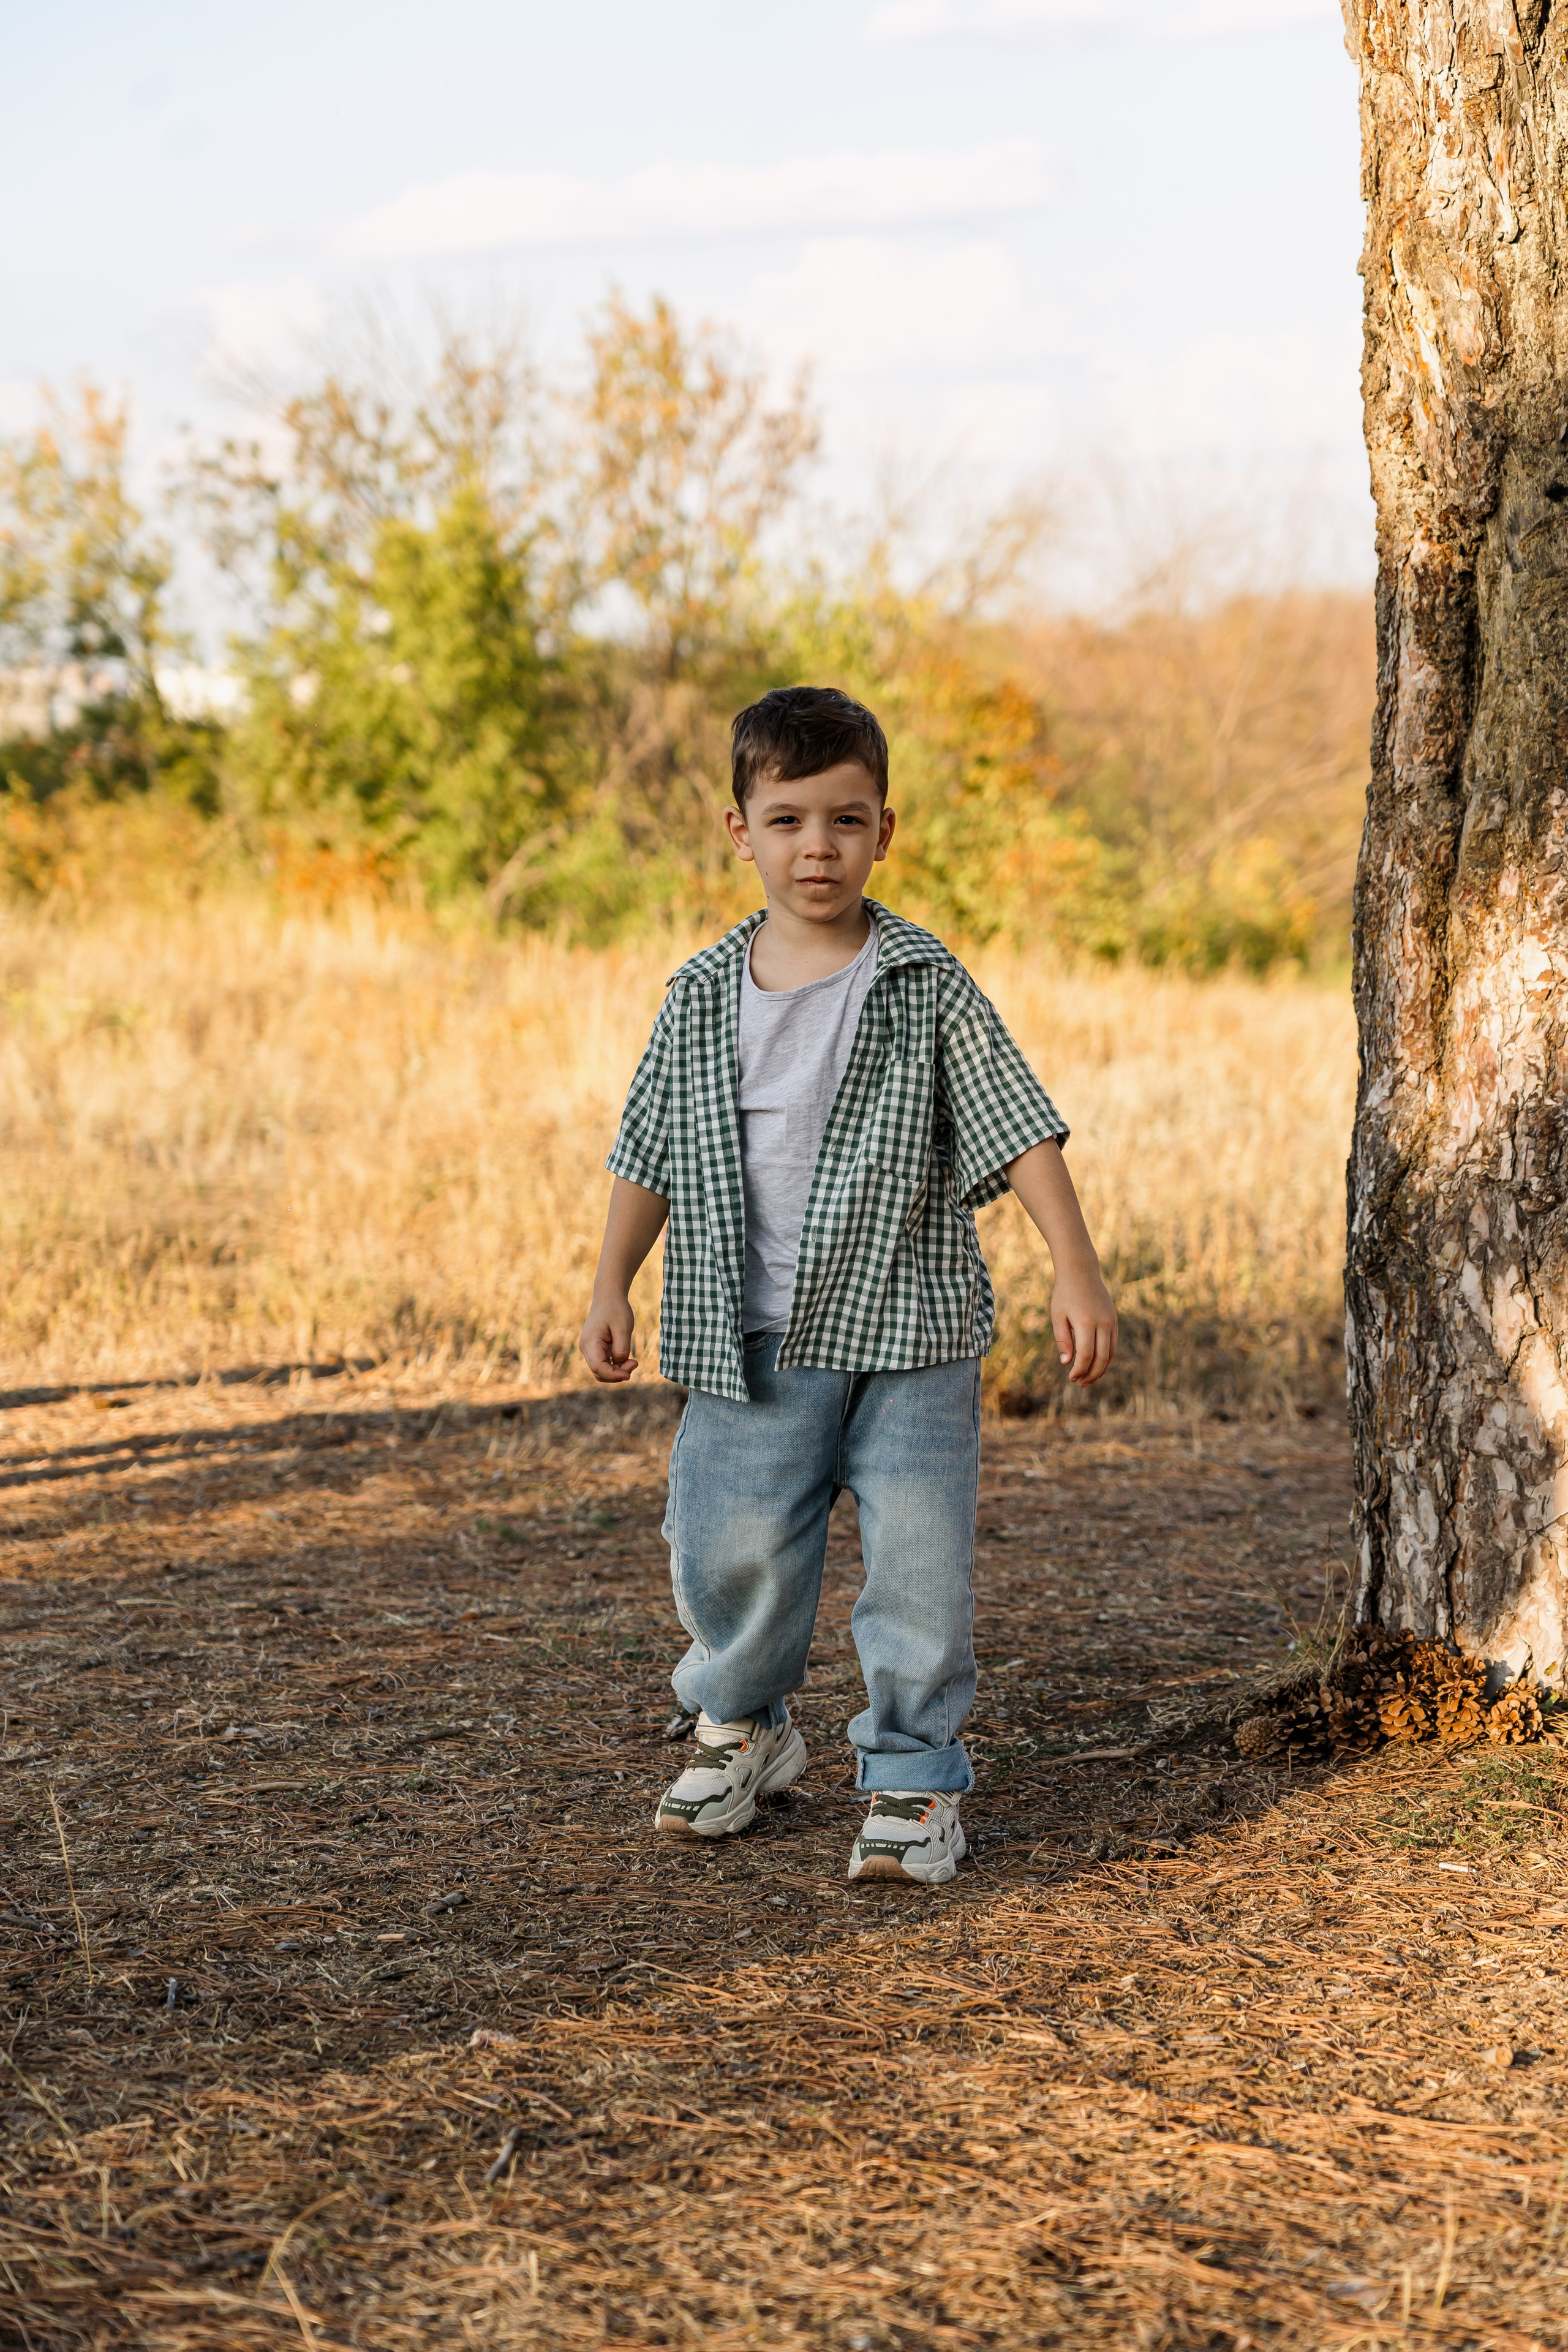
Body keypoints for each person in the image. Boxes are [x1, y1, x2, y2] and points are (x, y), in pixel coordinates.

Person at [578, 685, 1117, 1884]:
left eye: (842, 819)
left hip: (910, 1339)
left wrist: (1072, 1267)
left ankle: (914, 1780)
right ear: (739, 831)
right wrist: (611, 1280)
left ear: (883, 830)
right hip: (744, 1339)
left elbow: (1017, 1127)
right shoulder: (699, 995)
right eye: (786, 820)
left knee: (920, 1567)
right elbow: (645, 1151)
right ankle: (744, 1727)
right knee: (729, 1552)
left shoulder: (924, 982)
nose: (814, 846)